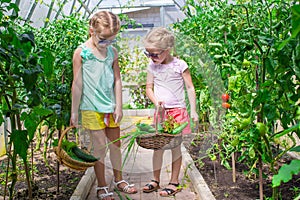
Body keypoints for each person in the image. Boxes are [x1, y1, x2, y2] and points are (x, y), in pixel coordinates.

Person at [70, 11, 137, 200]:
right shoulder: (82, 53)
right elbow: (77, 83)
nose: (107, 43)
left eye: (111, 40)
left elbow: (117, 80)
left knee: (115, 145)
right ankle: (101, 185)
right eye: (103, 39)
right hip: (90, 107)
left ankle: (119, 180)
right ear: (91, 31)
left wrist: (119, 106)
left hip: (110, 107)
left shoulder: (112, 52)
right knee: (99, 148)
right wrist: (74, 111)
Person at [142, 27, 199, 197]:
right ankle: (155, 179)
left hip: (178, 112)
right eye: (149, 54)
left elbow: (190, 88)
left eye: (155, 54)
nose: (152, 57)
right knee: (157, 147)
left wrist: (193, 110)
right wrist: (155, 101)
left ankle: (174, 181)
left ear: (167, 50)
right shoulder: (152, 66)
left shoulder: (180, 65)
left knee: (175, 147)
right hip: (161, 112)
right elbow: (149, 88)